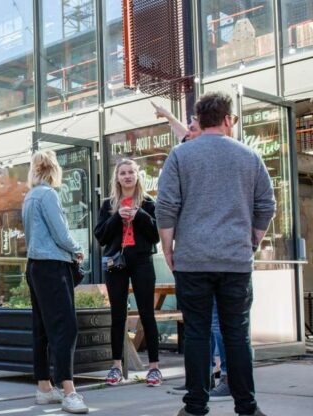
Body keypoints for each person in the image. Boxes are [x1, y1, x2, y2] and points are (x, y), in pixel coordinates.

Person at [156, 92, 275, 416]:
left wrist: (168, 247)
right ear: (226, 119)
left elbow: (165, 206)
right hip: (235, 261)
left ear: (200, 119)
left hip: (192, 259)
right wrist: (251, 240)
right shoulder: (249, 157)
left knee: (196, 332)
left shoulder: (181, 156)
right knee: (236, 333)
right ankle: (247, 407)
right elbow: (267, 204)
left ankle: (195, 407)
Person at [156, 102, 229, 399]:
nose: (187, 133)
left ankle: (224, 376)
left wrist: (168, 247)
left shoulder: (213, 158)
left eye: (193, 128)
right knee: (204, 322)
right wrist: (169, 116)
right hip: (199, 256)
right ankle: (205, 378)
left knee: (214, 321)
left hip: (212, 257)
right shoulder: (190, 156)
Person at [22, 149, 88, 414]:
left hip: (35, 266)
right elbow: (60, 233)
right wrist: (77, 248)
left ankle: (44, 387)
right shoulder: (48, 194)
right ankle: (69, 392)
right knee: (65, 327)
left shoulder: (29, 196)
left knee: (42, 328)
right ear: (54, 169)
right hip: (52, 265)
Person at [94, 159, 162, 387]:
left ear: (137, 175)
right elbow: (100, 236)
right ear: (117, 178)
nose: (127, 176)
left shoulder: (148, 202)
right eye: (123, 173)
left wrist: (139, 215)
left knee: (147, 314)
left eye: (131, 172)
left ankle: (154, 368)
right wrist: (117, 217)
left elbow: (155, 235)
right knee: (118, 315)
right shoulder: (108, 204)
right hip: (116, 264)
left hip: (142, 261)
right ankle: (116, 366)